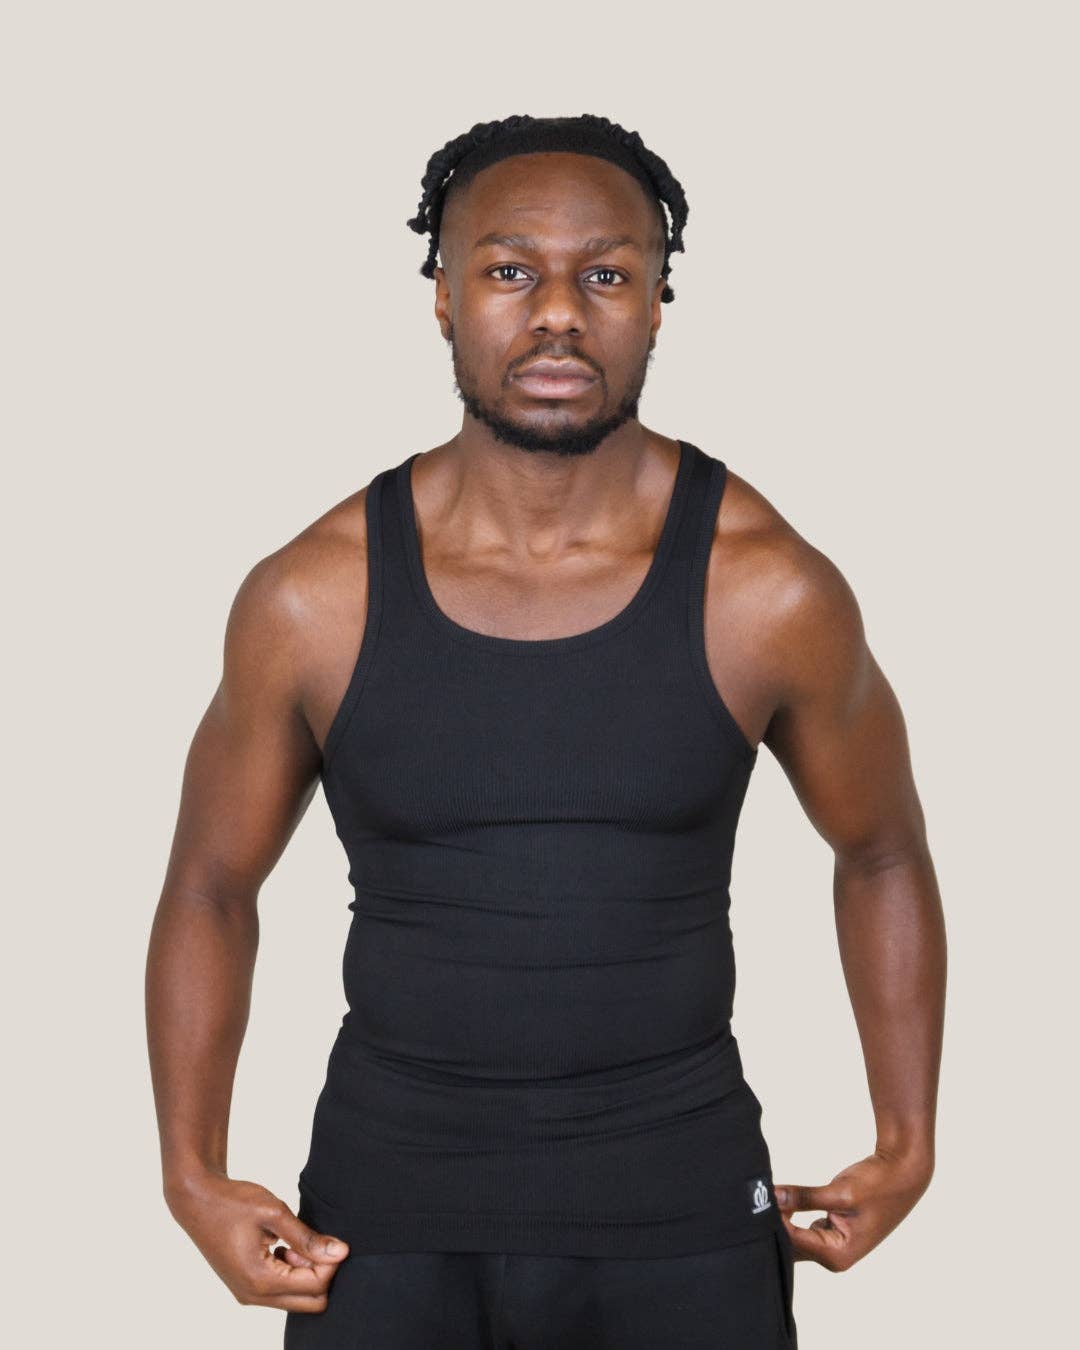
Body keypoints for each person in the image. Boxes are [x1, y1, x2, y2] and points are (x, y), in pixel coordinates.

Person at [146, 113, 945, 1349]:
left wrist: (908, 1142)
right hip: (382, 1225)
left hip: (682, 1220)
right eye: (511, 270)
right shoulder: (314, 597)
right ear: (444, 297)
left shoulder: (765, 590)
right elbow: (209, 882)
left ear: (659, 303)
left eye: (607, 274)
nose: (559, 313)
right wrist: (191, 1172)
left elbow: (882, 849)